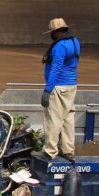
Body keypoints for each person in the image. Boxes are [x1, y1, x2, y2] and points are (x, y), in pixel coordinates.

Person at [41, 17, 80, 159]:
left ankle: (50, 151)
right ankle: (68, 150)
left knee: (53, 119)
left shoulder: (59, 46)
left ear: (56, 32)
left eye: (52, 32)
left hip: (58, 87)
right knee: (68, 119)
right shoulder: (75, 42)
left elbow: (56, 69)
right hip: (71, 86)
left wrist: (47, 90)